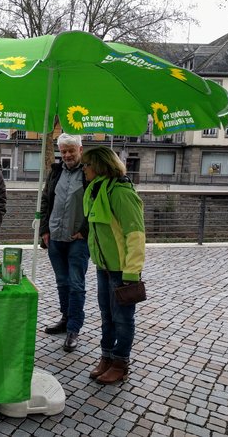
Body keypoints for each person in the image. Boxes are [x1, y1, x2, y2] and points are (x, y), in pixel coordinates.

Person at [81, 146, 146, 385]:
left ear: (98, 165)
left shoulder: (120, 192)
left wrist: (132, 271)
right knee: (107, 315)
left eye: (86, 164)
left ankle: (121, 362)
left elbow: (136, 233)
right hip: (104, 267)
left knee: (123, 319)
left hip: (121, 270)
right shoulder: (96, 189)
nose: (83, 168)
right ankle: (106, 357)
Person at [40, 133, 89, 352]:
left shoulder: (89, 173)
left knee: (76, 284)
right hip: (55, 237)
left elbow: (97, 203)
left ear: (80, 149)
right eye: (64, 151)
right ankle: (65, 319)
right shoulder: (56, 172)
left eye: (71, 150)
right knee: (62, 282)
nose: (67, 154)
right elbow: (45, 200)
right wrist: (44, 230)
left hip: (77, 239)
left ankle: (74, 328)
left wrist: (85, 231)